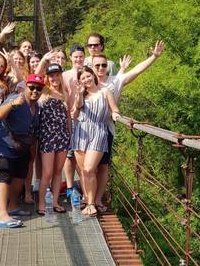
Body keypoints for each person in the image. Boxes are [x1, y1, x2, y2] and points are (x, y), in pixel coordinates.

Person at [92, 40, 165, 211]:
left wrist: (154, 57)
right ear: (92, 67)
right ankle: (87, 197)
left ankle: (97, 200)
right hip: (87, 130)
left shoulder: (115, 81)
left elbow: (137, 70)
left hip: (106, 129)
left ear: (107, 67)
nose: (101, 68)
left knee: (102, 166)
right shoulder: (86, 81)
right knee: (87, 167)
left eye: (104, 65)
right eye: (97, 65)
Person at [0, 73, 43, 228]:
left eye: (39, 89)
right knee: (5, 178)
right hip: (3, 145)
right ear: (25, 86)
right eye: (32, 87)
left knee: (20, 176)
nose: (35, 91)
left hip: (21, 147)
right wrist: (13, 104)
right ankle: (2, 215)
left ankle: (13, 206)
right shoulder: (15, 98)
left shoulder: (36, 106)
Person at [71, 66, 120, 217]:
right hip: (80, 133)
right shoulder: (81, 96)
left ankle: (91, 203)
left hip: (98, 133)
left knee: (89, 169)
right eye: (83, 78)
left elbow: (114, 109)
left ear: (93, 75)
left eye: (88, 76)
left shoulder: (104, 92)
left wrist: (116, 115)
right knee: (83, 171)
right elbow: (74, 114)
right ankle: (88, 199)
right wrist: (79, 95)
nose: (86, 80)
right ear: (80, 81)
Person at [37, 64, 70, 215]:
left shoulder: (65, 93)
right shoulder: (43, 91)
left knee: (58, 172)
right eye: (52, 75)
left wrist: (69, 135)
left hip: (62, 136)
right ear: (48, 77)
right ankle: (42, 203)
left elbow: (68, 117)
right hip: (48, 136)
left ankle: (55, 202)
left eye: (57, 75)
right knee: (47, 172)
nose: (55, 78)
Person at [62, 44, 86, 199]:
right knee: (69, 155)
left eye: (80, 57)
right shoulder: (64, 75)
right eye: (75, 56)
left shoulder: (88, 74)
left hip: (85, 120)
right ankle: (70, 186)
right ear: (71, 58)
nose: (78, 59)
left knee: (83, 156)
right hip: (69, 119)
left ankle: (85, 188)